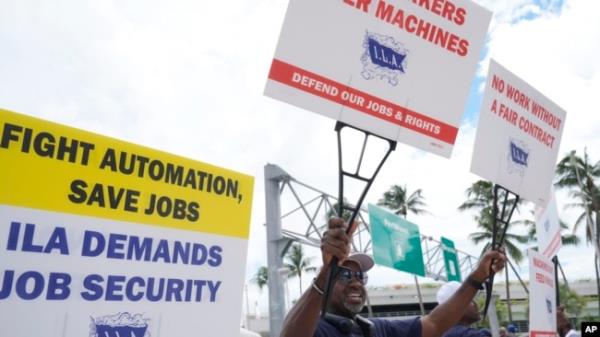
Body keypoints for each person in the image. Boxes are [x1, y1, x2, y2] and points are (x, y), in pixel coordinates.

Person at [280, 218, 507, 337]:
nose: (356, 281)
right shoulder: (319, 329)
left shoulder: (377, 329)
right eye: (345, 274)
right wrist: (326, 273)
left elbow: (435, 323)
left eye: (361, 276)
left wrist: (477, 277)